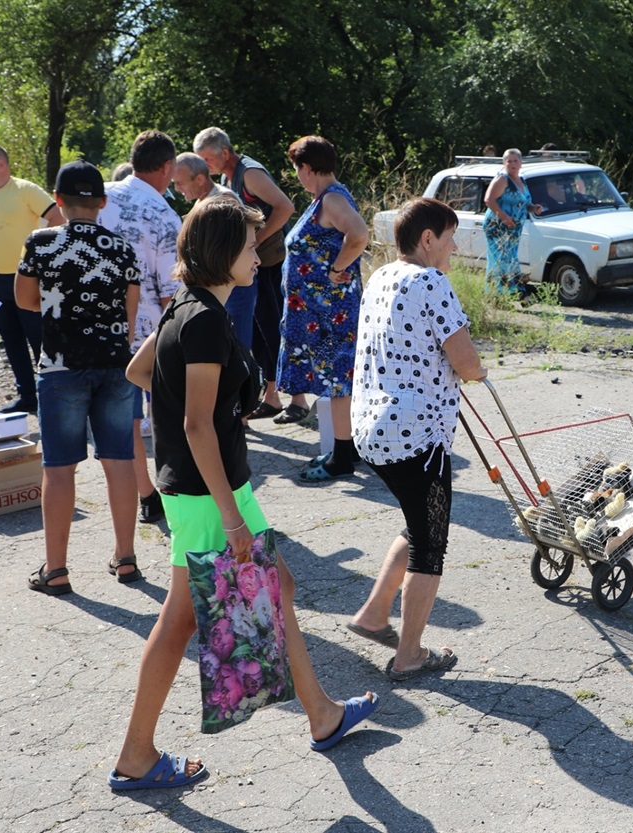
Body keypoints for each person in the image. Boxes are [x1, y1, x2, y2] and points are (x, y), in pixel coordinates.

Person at [111, 196, 376, 790]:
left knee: (277, 584)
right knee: (180, 621)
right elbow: (197, 424)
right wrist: (231, 519)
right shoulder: (203, 319)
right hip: (211, 495)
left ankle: (323, 713)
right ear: (223, 252)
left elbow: (137, 371)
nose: (259, 255)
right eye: (251, 246)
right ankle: (134, 756)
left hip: (205, 488)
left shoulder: (190, 305)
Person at [346, 197, 486, 681]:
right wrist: (477, 370)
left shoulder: (381, 276)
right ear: (427, 239)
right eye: (449, 239)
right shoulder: (431, 281)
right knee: (431, 546)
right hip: (414, 437)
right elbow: (465, 363)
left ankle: (373, 614)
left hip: (372, 429)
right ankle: (409, 656)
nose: (453, 249)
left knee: (419, 521)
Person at [15, 162, 142, 595]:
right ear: (102, 202)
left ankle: (57, 569)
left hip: (60, 365)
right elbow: (130, 312)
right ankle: (125, 559)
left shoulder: (41, 242)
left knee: (60, 468)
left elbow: (24, 299)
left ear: (59, 199)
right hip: (114, 364)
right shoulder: (123, 248)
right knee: (120, 460)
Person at [99, 130, 182, 525]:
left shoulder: (101, 196)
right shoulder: (164, 216)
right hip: (149, 332)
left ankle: (144, 494)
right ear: (167, 167)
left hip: (97, 325)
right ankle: (170, 490)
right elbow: (171, 290)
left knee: (124, 420)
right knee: (166, 413)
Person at [278, 135, 369, 481]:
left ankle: (343, 456)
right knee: (337, 381)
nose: (296, 176)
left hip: (331, 312)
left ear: (306, 167)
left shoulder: (331, 199)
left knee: (338, 381)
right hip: (323, 311)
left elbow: (358, 234)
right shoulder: (326, 198)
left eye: (296, 169)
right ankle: (346, 448)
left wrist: (335, 270)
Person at [192, 127, 294, 416]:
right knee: (259, 330)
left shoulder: (249, 173)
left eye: (207, 159)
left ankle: (286, 395)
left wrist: (255, 242)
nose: (204, 166)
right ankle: (269, 393)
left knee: (273, 327)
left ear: (225, 153)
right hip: (254, 264)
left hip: (271, 262)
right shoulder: (227, 177)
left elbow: (285, 207)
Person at [0, 144, 66, 413]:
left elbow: (57, 218)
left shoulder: (25, 190)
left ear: (1, 164)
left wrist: (42, 257)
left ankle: (54, 395)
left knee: (38, 338)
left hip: (27, 278)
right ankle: (27, 396)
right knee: (11, 338)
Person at [482, 148, 542, 296]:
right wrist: (504, 217)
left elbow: (523, 205)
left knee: (507, 260)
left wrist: (534, 208)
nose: (513, 164)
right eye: (509, 161)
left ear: (521, 163)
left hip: (514, 229)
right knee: (502, 260)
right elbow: (489, 200)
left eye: (516, 160)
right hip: (498, 226)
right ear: (504, 163)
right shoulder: (502, 179)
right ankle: (515, 294)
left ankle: (497, 294)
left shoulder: (521, 181)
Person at [172, 153, 237, 204]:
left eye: (180, 183)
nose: (176, 188)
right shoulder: (204, 200)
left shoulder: (223, 201)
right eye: (174, 183)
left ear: (200, 179)